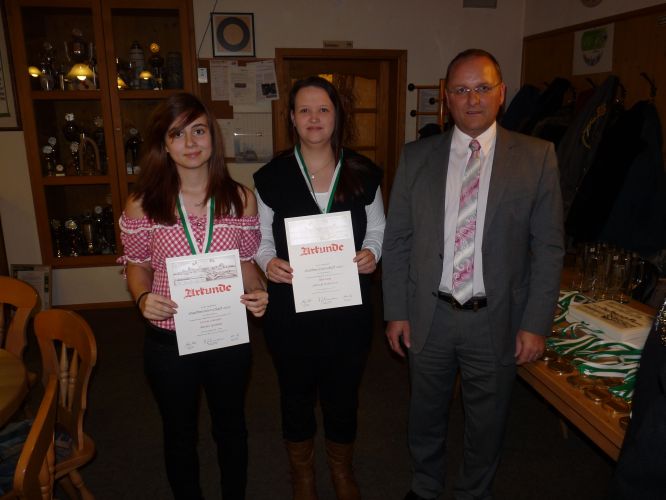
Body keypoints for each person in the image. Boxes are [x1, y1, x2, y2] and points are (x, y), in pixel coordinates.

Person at [382, 49, 564, 500]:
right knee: (424, 414)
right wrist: (396, 311)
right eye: (461, 90)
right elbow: (397, 239)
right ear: (447, 98)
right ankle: (425, 486)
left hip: (496, 318)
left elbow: (548, 248)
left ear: (502, 93)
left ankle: (473, 492)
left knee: (488, 422)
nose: (473, 98)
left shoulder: (537, 157)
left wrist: (535, 323)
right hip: (430, 314)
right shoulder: (416, 157)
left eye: (483, 87)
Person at [118, 92, 268, 500]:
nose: (190, 143)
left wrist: (257, 291)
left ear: (213, 138)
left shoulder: (240, 200)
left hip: (226, 333)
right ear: (164, 144)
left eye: (198, 131)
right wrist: (142, 298)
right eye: (177, 133)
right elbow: (136, 264)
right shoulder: (143, 204)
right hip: (169, 337)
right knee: (179, 433)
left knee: (231, 428)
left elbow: (245, 262)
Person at [253, 76, 385, 500]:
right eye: (305, 110)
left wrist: (372, 253)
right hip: (291, 308)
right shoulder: (271, 177)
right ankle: (303, 474)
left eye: (323, 109)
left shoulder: (363, 171)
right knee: (295, 394)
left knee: (344, 394)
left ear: (337, 116)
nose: (314, 118)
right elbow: (259, 238)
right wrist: (267, 262)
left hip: (349, 309)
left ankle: (342, 470)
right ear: (292, 118)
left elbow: (378, 229)